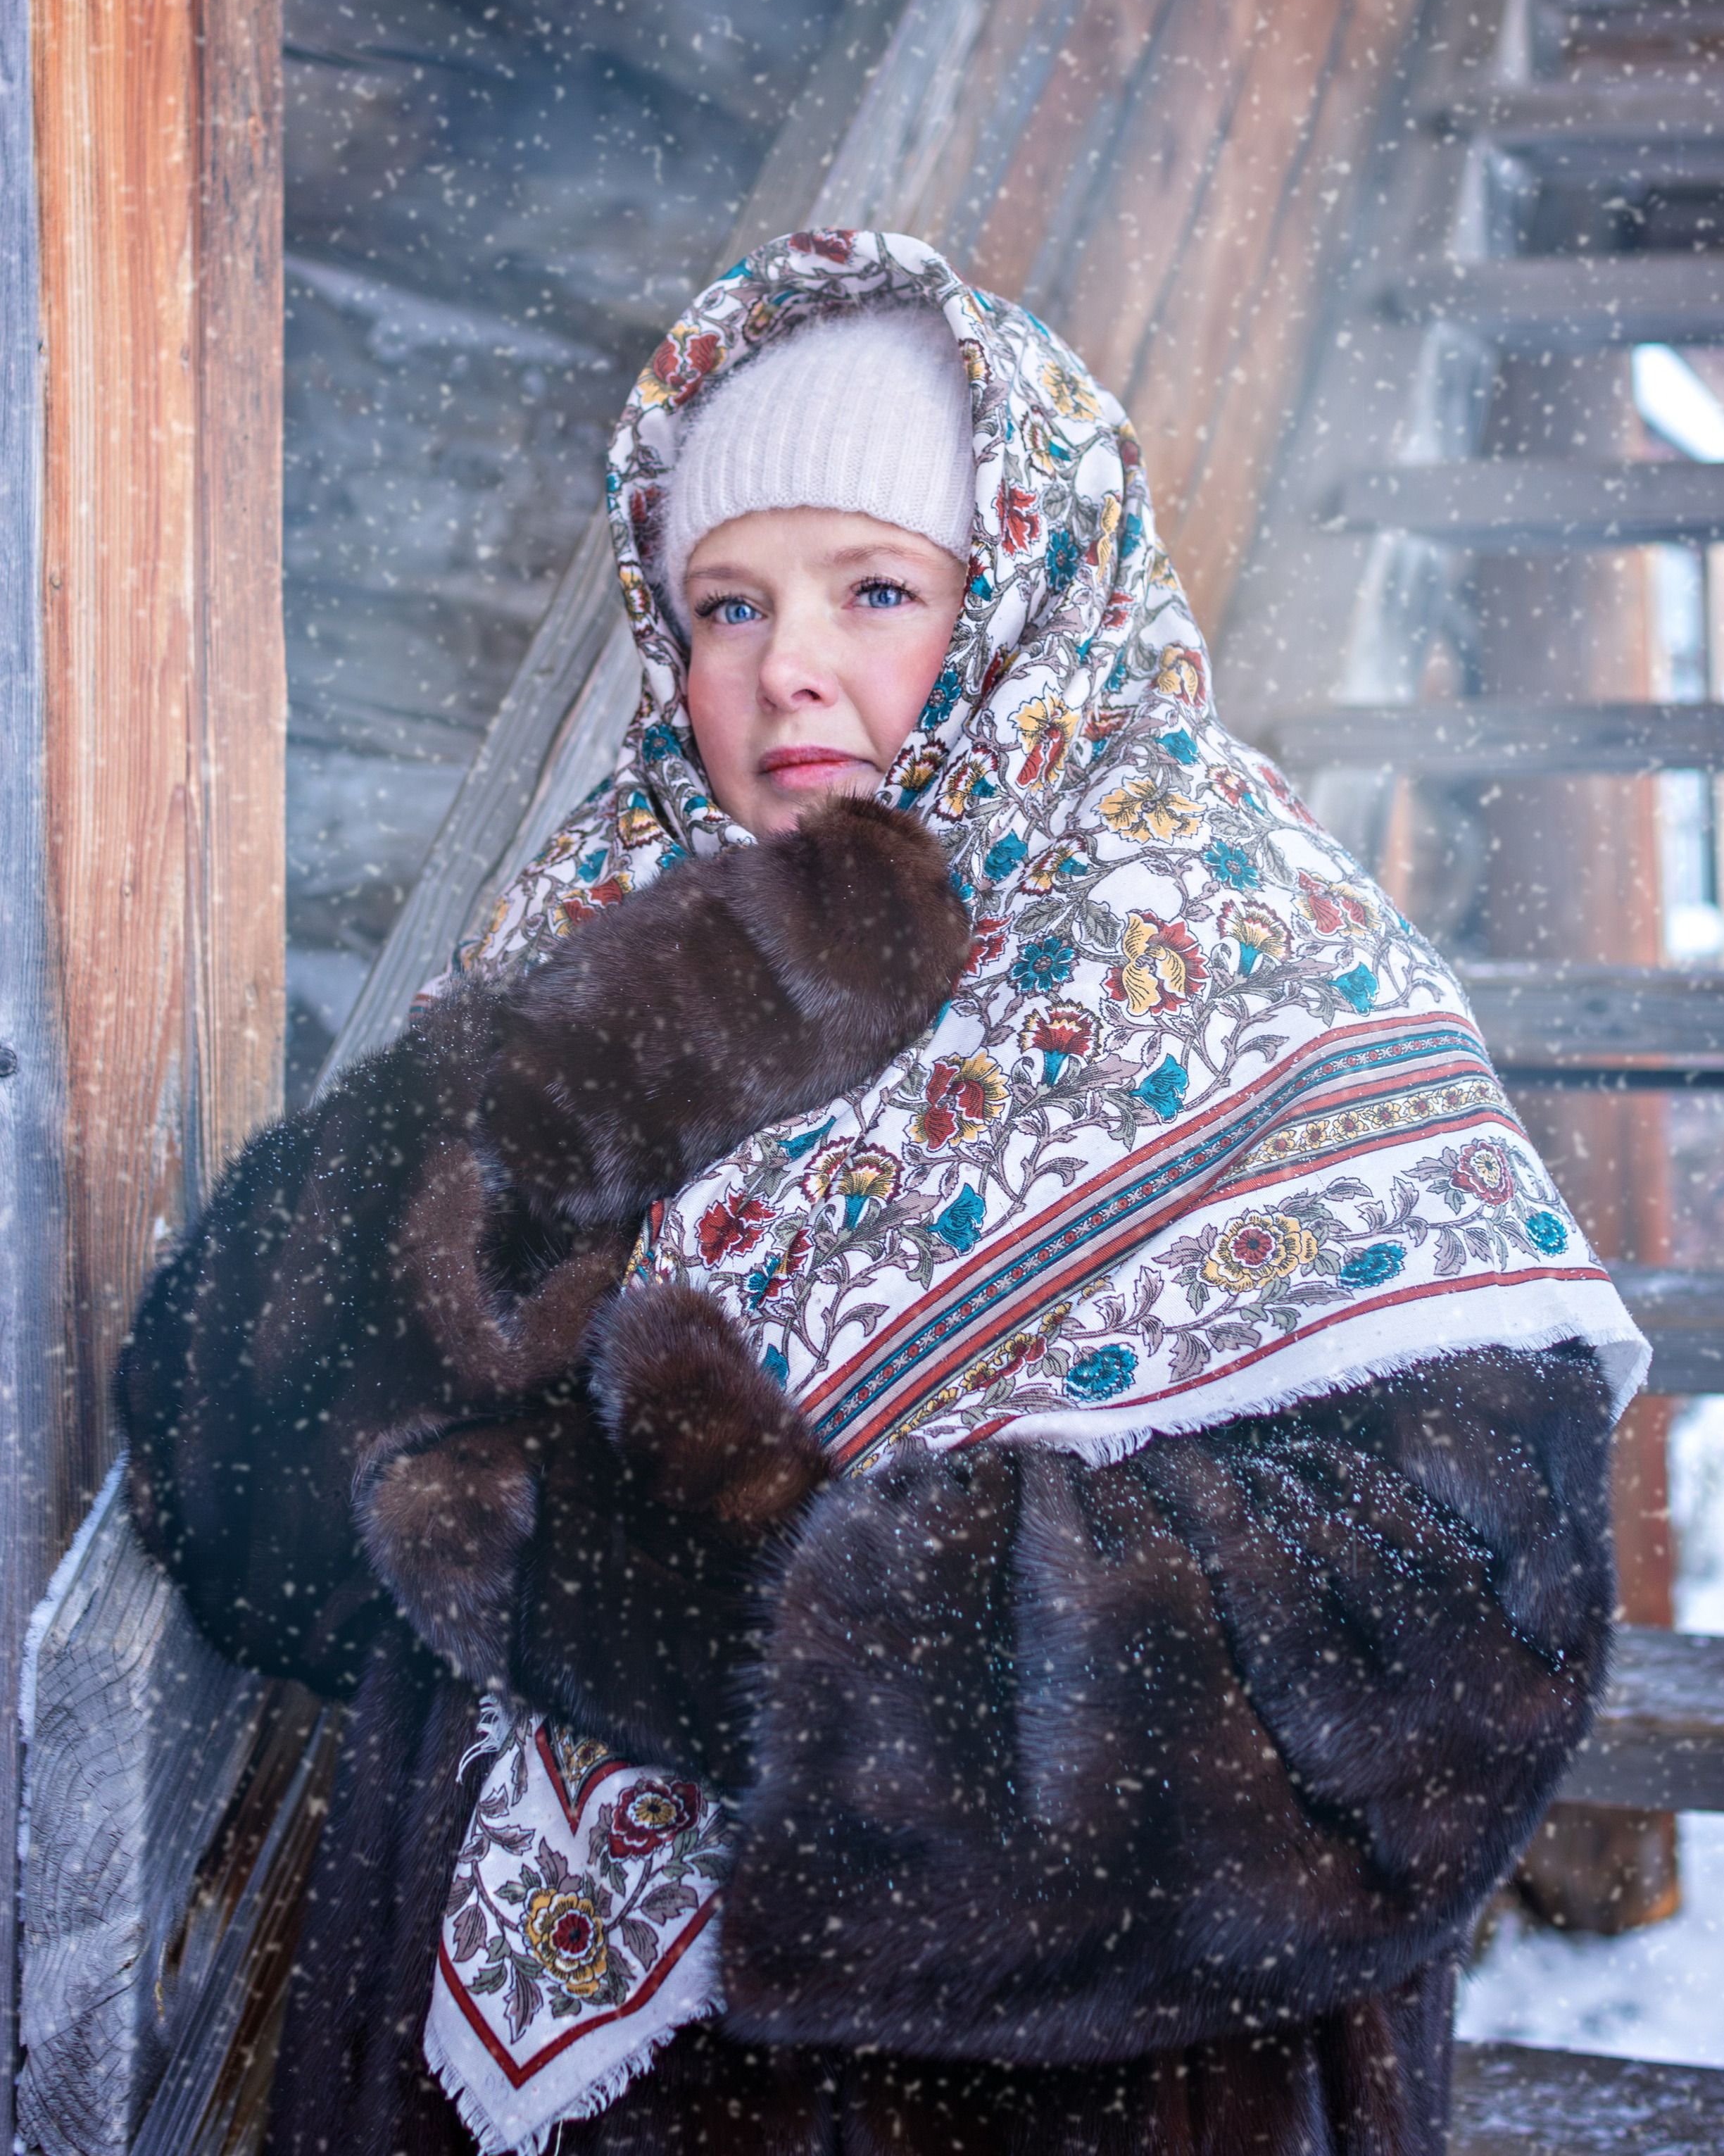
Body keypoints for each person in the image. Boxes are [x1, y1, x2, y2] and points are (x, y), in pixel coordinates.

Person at [122, 229, 1647, 2156]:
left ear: (1027, 586)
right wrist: (652, 1036)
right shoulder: (613, 928)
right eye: (726, 606)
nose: (792, 672)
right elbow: (230, 1454)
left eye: (876, 587)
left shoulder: (1260, 962)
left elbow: (1439, 1666)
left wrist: (734, 1615)